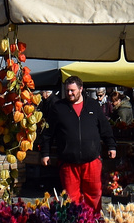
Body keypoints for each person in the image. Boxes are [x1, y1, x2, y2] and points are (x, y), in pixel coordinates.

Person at [40, 76, 116, 212]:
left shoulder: (93, 105)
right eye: (67, 91)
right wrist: (45, 153)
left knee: (94, 195)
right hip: (68, 161)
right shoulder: (58, 108)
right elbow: (48, 133)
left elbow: (104, 127)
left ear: (81, 89)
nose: (70, 93)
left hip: (91, 159)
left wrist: (111, 145)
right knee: (71, 197)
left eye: (73, 90)